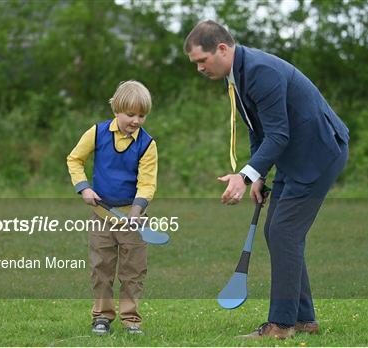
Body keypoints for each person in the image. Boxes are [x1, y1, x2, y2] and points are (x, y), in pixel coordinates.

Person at [184, 20, 349, 339]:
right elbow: (258, 129)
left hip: (317, 152)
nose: (200, 69)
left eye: (202, 61)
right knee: (277, 232)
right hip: (294, 155)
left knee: (285, 232)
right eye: (196, 64)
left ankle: (281, 325)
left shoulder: (260, 71)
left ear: (222, 48)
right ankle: (303, 320)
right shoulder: (237, 74)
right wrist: (258, 174)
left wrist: (244, 177)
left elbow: (278, 133)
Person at [66, 80, 158, 336]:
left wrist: (137, 213)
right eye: (131, 114)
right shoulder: (97, 133)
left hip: (134, 219)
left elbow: (147, 183)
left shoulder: (148, 144)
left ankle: (131, 321)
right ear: (116, 110)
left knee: (133, 272)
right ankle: (102, 318)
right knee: (101, 269)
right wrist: (84, 188)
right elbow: (74, 159)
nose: (136, 120)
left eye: (142, 115)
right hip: (101, 216)